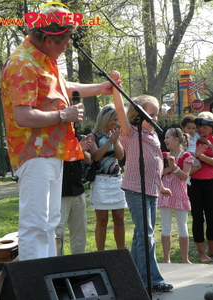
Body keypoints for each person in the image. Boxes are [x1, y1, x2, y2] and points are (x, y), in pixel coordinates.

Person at [0, 6, 116, 261]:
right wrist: (64, 115)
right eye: (65, 41)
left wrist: (102, 88)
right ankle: (36, 284)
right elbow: (23, 116)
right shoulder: (22, 63)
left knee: (50, 222)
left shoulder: (44, 60)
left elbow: (64, 87)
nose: (67, 46)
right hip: (34, 154)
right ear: (50, 38)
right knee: (36, 224)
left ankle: (47, 277)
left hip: (53, 152)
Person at [110, 71, 173, 292]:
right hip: (135, 189)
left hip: (152, 190)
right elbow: (120, 111)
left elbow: (155, 162)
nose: (155, 119)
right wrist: (116, 87)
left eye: (156, 115)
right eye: (151, 114)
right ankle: (150, 280)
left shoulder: (153, 135)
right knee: (145, 234)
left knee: (143, 235)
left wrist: (162, 185)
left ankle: (138, 278)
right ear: (138, 114)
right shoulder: (131, 132)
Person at [88, 104, 127, 251]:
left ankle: (121, 251)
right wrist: (109, 142)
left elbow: (121, 156)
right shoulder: (93, 137)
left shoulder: (116, 135)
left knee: (119, 218)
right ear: (106, 119)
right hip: (100, 182)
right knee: (102, 220)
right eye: (114, 120)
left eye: (117, 120)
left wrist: (115, 141)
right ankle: (101, 252)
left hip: (116, 181)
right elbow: (95, 157)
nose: (116, 123)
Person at [158, 128, 194, 264]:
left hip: (180, 195)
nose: (165, 140)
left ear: (176, 140)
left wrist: (175, 167)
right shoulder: (163, 155)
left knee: (182, 226)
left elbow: (185, 176)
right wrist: (169, 168)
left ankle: (185, 259)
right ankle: (167, 259)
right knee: (166, 225)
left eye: (168, 138)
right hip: (166, 193)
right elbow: (159, 173)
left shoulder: (186, 156)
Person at [55, 136, 91, 255]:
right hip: (60, 193)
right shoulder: (53, 137)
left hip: (78, 191)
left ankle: (79, 263)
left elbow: (88, 160)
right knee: (58, 232)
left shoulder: (77, 137)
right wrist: (78, 148)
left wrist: (83, 150)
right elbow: (60, 157)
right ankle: (57, 265)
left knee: (79, 231)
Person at [187, 111, 213, 263]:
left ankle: (211, 249)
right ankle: (201, 253)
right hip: (194, 182)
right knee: (197, 218)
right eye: (198, 126)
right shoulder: (191, 139)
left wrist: (201, 156)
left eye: (204, 126)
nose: (200, 129)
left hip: (211, 182)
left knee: (212, 217)